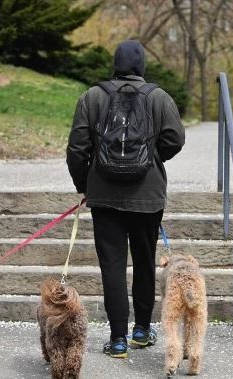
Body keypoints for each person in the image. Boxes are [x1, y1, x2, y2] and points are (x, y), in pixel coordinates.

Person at [66, 40, 185, 359]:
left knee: (112, 267)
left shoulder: (93, 97)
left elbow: (77, 148)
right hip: (147, 196)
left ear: (115, 64)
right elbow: (176, 138)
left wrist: (84, 184)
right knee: (145, 264)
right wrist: (151, 158)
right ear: (142, 66)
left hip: (103, 196)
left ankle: (118, 339)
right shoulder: (159, 97)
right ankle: (142, 332)